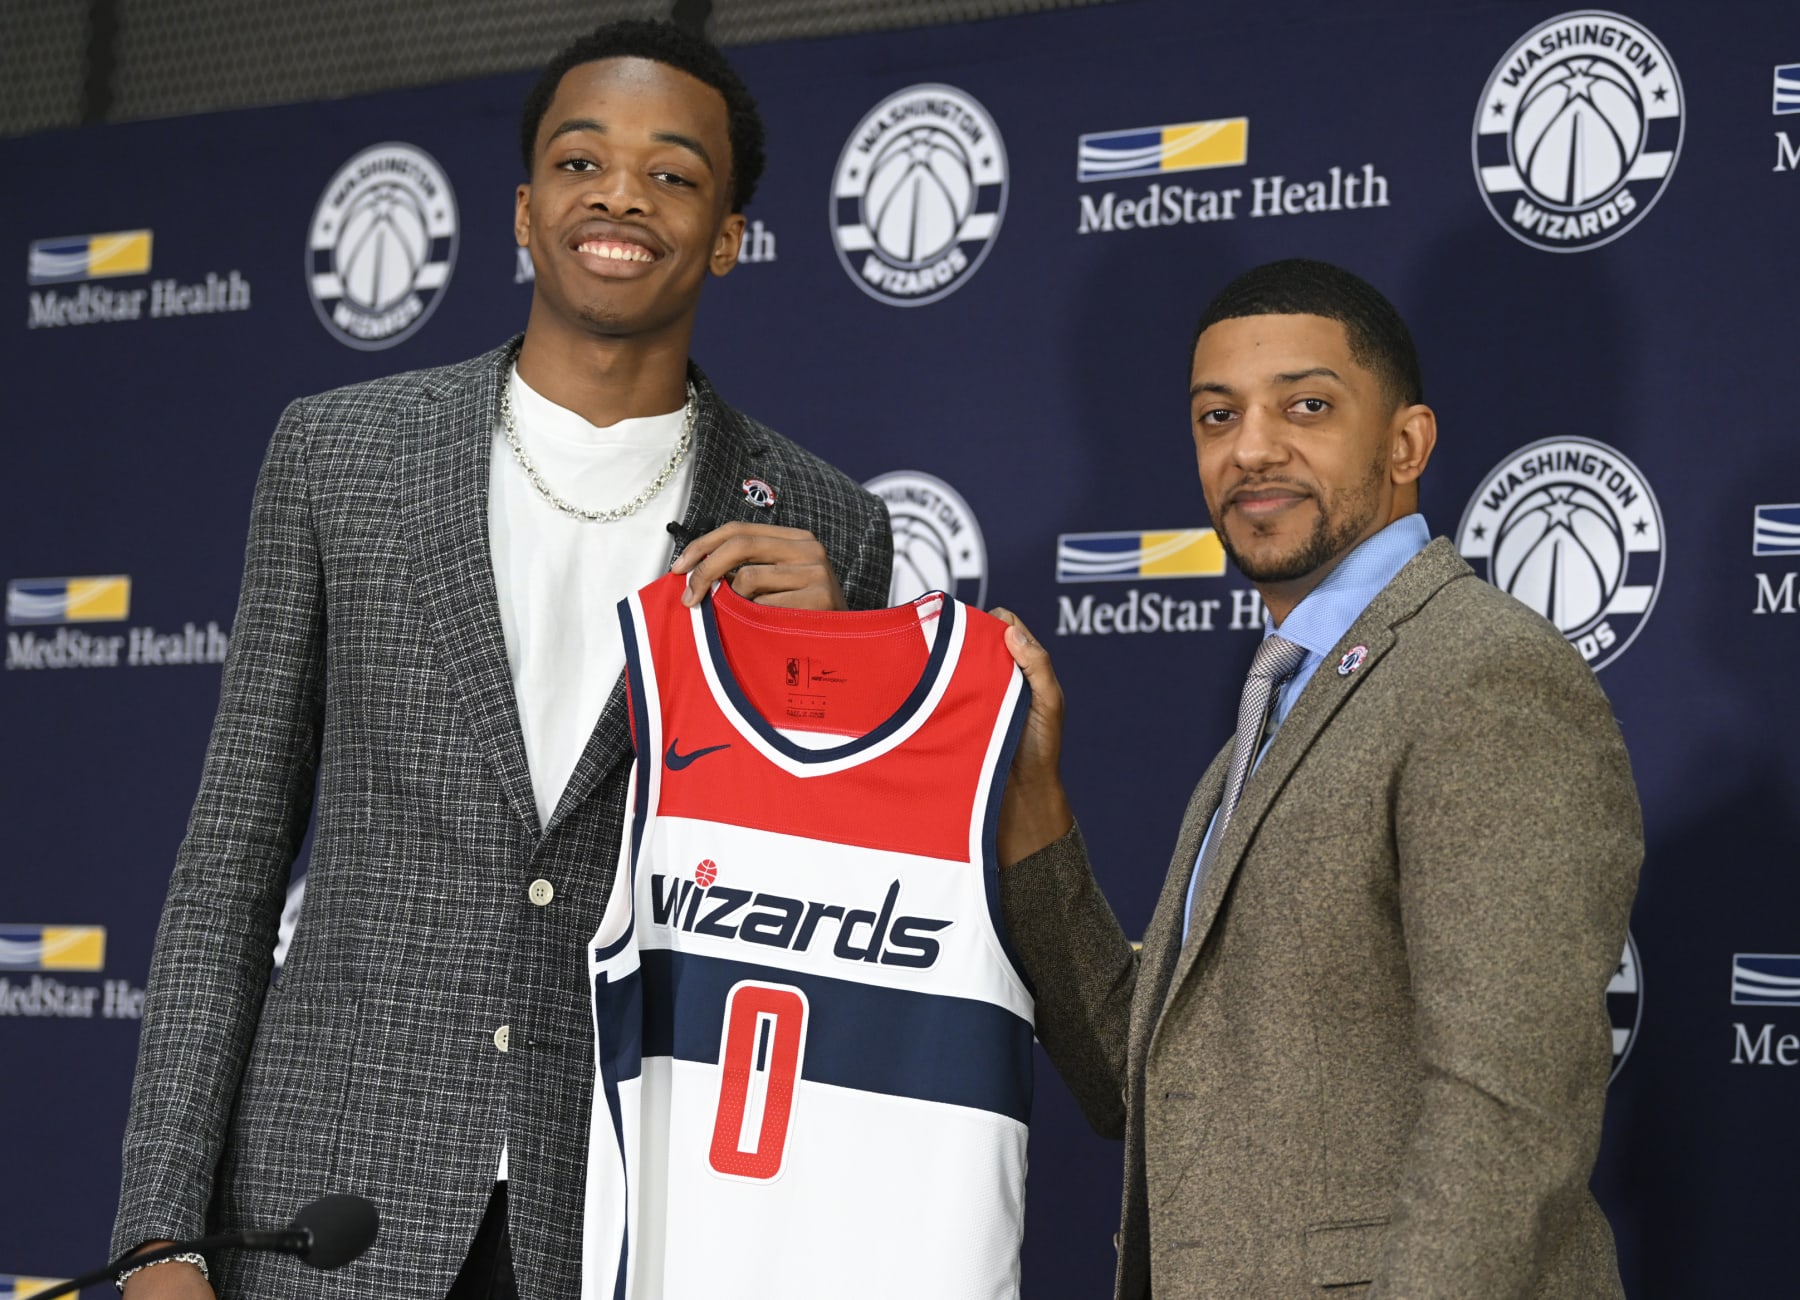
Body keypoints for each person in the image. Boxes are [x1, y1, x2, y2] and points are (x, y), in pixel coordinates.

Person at [110, 19, 891, 1299]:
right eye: (583, 162)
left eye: (675, 173)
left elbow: (832, 915)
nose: (622, 195)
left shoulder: (823, 520)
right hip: (330, 1211)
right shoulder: (340, 457)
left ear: (733, 232)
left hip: (645, 1219)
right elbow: (231, 866)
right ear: (526, 212)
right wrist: (159, 1231)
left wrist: (829, 669)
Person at [992, 259, 1642, 1298]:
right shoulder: (1279, 705)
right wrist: (1035, 814)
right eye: (1217, 416)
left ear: (1406, 443)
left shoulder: (1482, 672)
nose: (1252, 448)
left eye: (1307, 406)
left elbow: (1508, 1114)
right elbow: (1145, 1076)